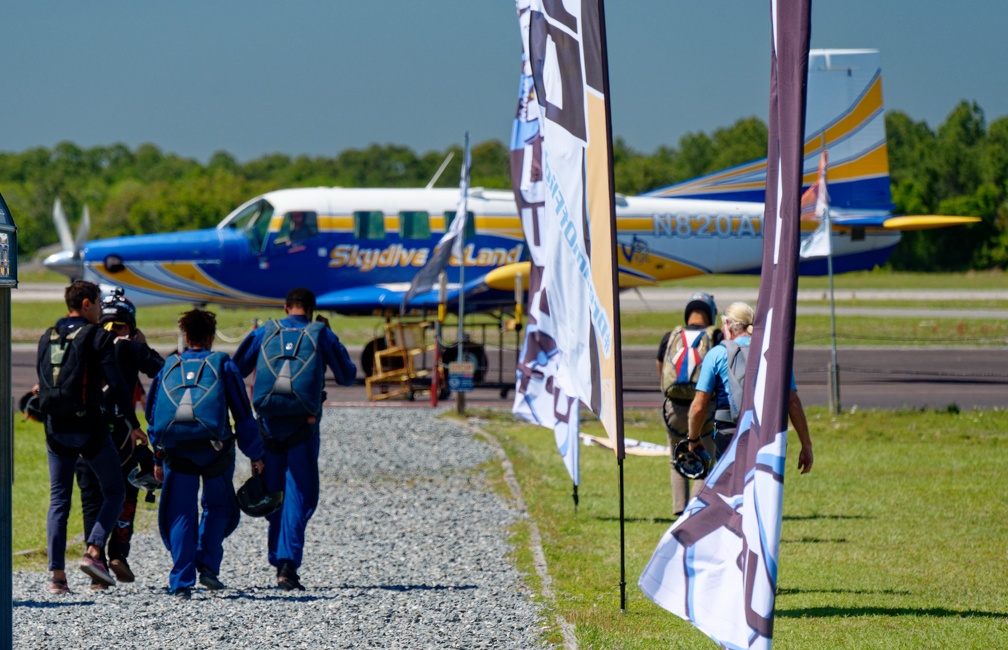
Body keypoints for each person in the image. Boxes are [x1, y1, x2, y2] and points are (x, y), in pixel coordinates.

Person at [233, 287, 356, 591]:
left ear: (286, 307)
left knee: (274, 492)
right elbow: (347, 376)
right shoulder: (319, 333)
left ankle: (277, 558)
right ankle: (288, 564)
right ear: (311, 311)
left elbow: (236, 369)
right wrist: (329, 337)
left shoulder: (266, 331)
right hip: (303, 426)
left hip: (268, 425)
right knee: (301, 494)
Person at [35, 280, 147, 594]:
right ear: (85, 304)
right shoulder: (96, 336)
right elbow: (117, 384)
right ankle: (94, 552)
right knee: (115, 491)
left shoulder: (49, 335)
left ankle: (57, 578)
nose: (101, 309)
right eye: (98, 303)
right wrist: (133, 423)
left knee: (59, 500)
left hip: (55, 429)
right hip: (90, 429)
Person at [146, 309, 265, 599]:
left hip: (177, 450)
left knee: (180, 512)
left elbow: (153, 414)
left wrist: (157, 458)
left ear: (185, 336)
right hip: (215, 450)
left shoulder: (169, 365)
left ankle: (181, 581)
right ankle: (208, 566)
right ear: (211, 337)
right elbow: (242, 414)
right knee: (219, 507)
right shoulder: (222, 364)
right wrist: (255, 454)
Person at [75, 288, 164, 589]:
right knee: (126, 491)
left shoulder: (83, 342)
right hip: (122, 433)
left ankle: (94, 557)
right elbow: (162, 370)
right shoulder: (129, 346)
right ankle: (118, 554)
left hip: (82, 433)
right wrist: (143, 345)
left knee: (92, 498)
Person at [686, 302, 813, 474]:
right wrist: (806, 444)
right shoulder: (776, 354)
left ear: (728, 326)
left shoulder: (716, 354)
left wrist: (693, 439)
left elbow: (699, 406)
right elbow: (793, 402)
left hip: (729, 435)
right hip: (769, 435)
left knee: (732, 493)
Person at [655, 292, 719, 517]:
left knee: (676, 460)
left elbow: (661, 369)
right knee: (705, 460)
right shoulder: (716, 336)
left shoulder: (670, 336)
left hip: (674, 407)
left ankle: (679, 509)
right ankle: (695, 513)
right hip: (704, 410)